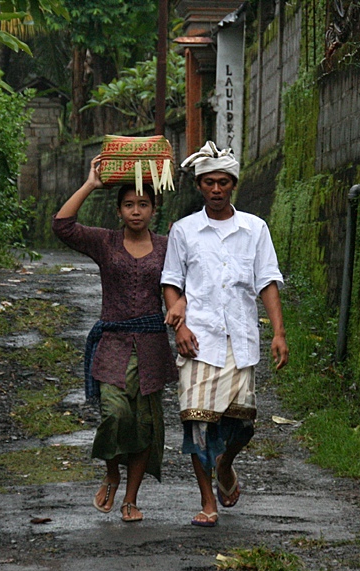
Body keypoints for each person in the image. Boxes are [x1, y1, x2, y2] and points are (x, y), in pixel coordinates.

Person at [161, 141, 289, 528]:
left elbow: (266, 281)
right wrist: (179, 323)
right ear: (199, 187)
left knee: (243, 422)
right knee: (197, 421)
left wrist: (279, 333)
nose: (216, 190)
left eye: (223, 182)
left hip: (240, 339)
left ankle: (226, 464)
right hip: (198, 340)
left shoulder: (255, 229)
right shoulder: (184, 231)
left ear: (233, 184)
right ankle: (207, 502)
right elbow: (171, 281)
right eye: (208, 183)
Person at [52, 155, 178, 523]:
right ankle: (111, 472)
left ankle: (131, 498)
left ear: (154, 209)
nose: (135, 211)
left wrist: (180, 305)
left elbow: (186, 281)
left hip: (152, 345)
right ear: (119, 210)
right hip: (113, 343)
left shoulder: (168, 246)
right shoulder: (105, 242)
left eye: (142, 204)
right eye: (128, 205)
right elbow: (62, 225)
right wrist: (91, 183)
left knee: (144, 425)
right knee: (114, 415)